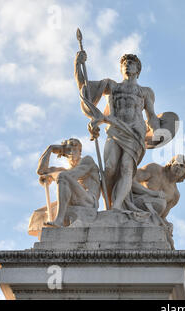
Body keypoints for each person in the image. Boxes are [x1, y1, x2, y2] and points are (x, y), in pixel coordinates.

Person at [74, 51, 160, 210]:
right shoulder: (111, 86)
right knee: (110, 167)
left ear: (137, 70)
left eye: (131, 64)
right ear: (121, 69)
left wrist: (159, 130)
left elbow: (152, 116)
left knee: (126, 167)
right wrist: (78, 64)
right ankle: (109, 205)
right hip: (114, 128)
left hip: (135, 131)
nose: (127, 66)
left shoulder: (146, 92)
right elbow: (84, 89)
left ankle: (117, 206)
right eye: (124, 64)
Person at [38, 138, 100, 227]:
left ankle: (59, 220)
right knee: (62, 175)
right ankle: (60, 218)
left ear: (80, 151)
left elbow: (72, 175)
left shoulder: (87, 160)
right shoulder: (65, 171)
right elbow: (41, 171)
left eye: (75, 149)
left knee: (62, 176)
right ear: (64, 153)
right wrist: (50, 149)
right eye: (68, 150)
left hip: (89, 201)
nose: (71, 152)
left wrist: (51, 175)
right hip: (75, 199)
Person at [131, 155, 185, 223]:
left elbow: (161, 217)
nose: (178, 167)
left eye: (182, 166)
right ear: (171, 164)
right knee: (160, 203)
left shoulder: (175, 195)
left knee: (161, 204)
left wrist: (167, 224)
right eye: (176, 164)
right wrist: (151, 193)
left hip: (149, 218)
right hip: (133, 201)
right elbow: (130, 180)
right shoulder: (154, 169)